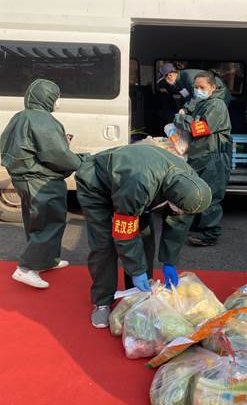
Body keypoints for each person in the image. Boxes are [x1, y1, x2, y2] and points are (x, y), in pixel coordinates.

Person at [75, 144, 211, 328]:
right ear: (172, 197)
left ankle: (137, 295)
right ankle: (102, 301)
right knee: (104, 244)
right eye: (181, 209)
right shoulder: (140, 184)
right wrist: (137, 270)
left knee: (145, 236)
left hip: (136, 186)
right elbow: (125, 232)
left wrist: (169, 260)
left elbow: (178, 223)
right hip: (97, 183)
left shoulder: (190, 187)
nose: (182, 213)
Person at [0, 79, 83, 289]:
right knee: (49, 223)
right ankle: (26, 268)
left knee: (35, 223)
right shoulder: (43, 120)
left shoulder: (20, 116)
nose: (58, 101)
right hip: (41, 179)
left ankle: (47, 260)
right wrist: (79, 162)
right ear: (47, 98)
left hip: (24, 178)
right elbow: (56, 154)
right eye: (56, 97)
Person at [174, 71, 232, 246]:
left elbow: (201, 128)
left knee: (211, 196)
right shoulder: (203, 103)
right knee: (199, 192)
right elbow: (192, 113)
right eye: (195, 87)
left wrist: (180, 119)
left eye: (202, 87)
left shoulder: (217, 105)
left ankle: (210, 234)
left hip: (213, 156)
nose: (198, 90)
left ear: (213, 87)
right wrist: (185, 111)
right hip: (202, 155)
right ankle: (199, 227)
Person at [158, 63, 232, 109]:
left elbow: (198, 96)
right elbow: (187, 97)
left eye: (165, 80)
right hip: (207, 98)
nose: (166, 83)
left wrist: (186, 110)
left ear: (170, 75)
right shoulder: (178, 84)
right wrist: (184, 108)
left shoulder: (188, 76)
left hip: (220, 94)